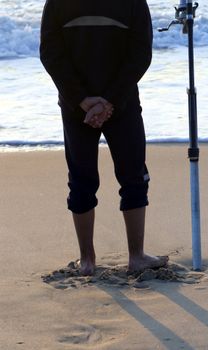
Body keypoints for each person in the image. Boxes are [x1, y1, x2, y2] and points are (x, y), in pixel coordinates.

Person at [40, 0, 167, 275]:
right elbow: (140, 54)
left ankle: (88, 261)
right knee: (130, 176)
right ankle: (135, 257)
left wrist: (83, 100)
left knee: (85, 179)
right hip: (116, 103)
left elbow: (50, 53)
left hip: (83, 106)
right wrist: (107, 101)